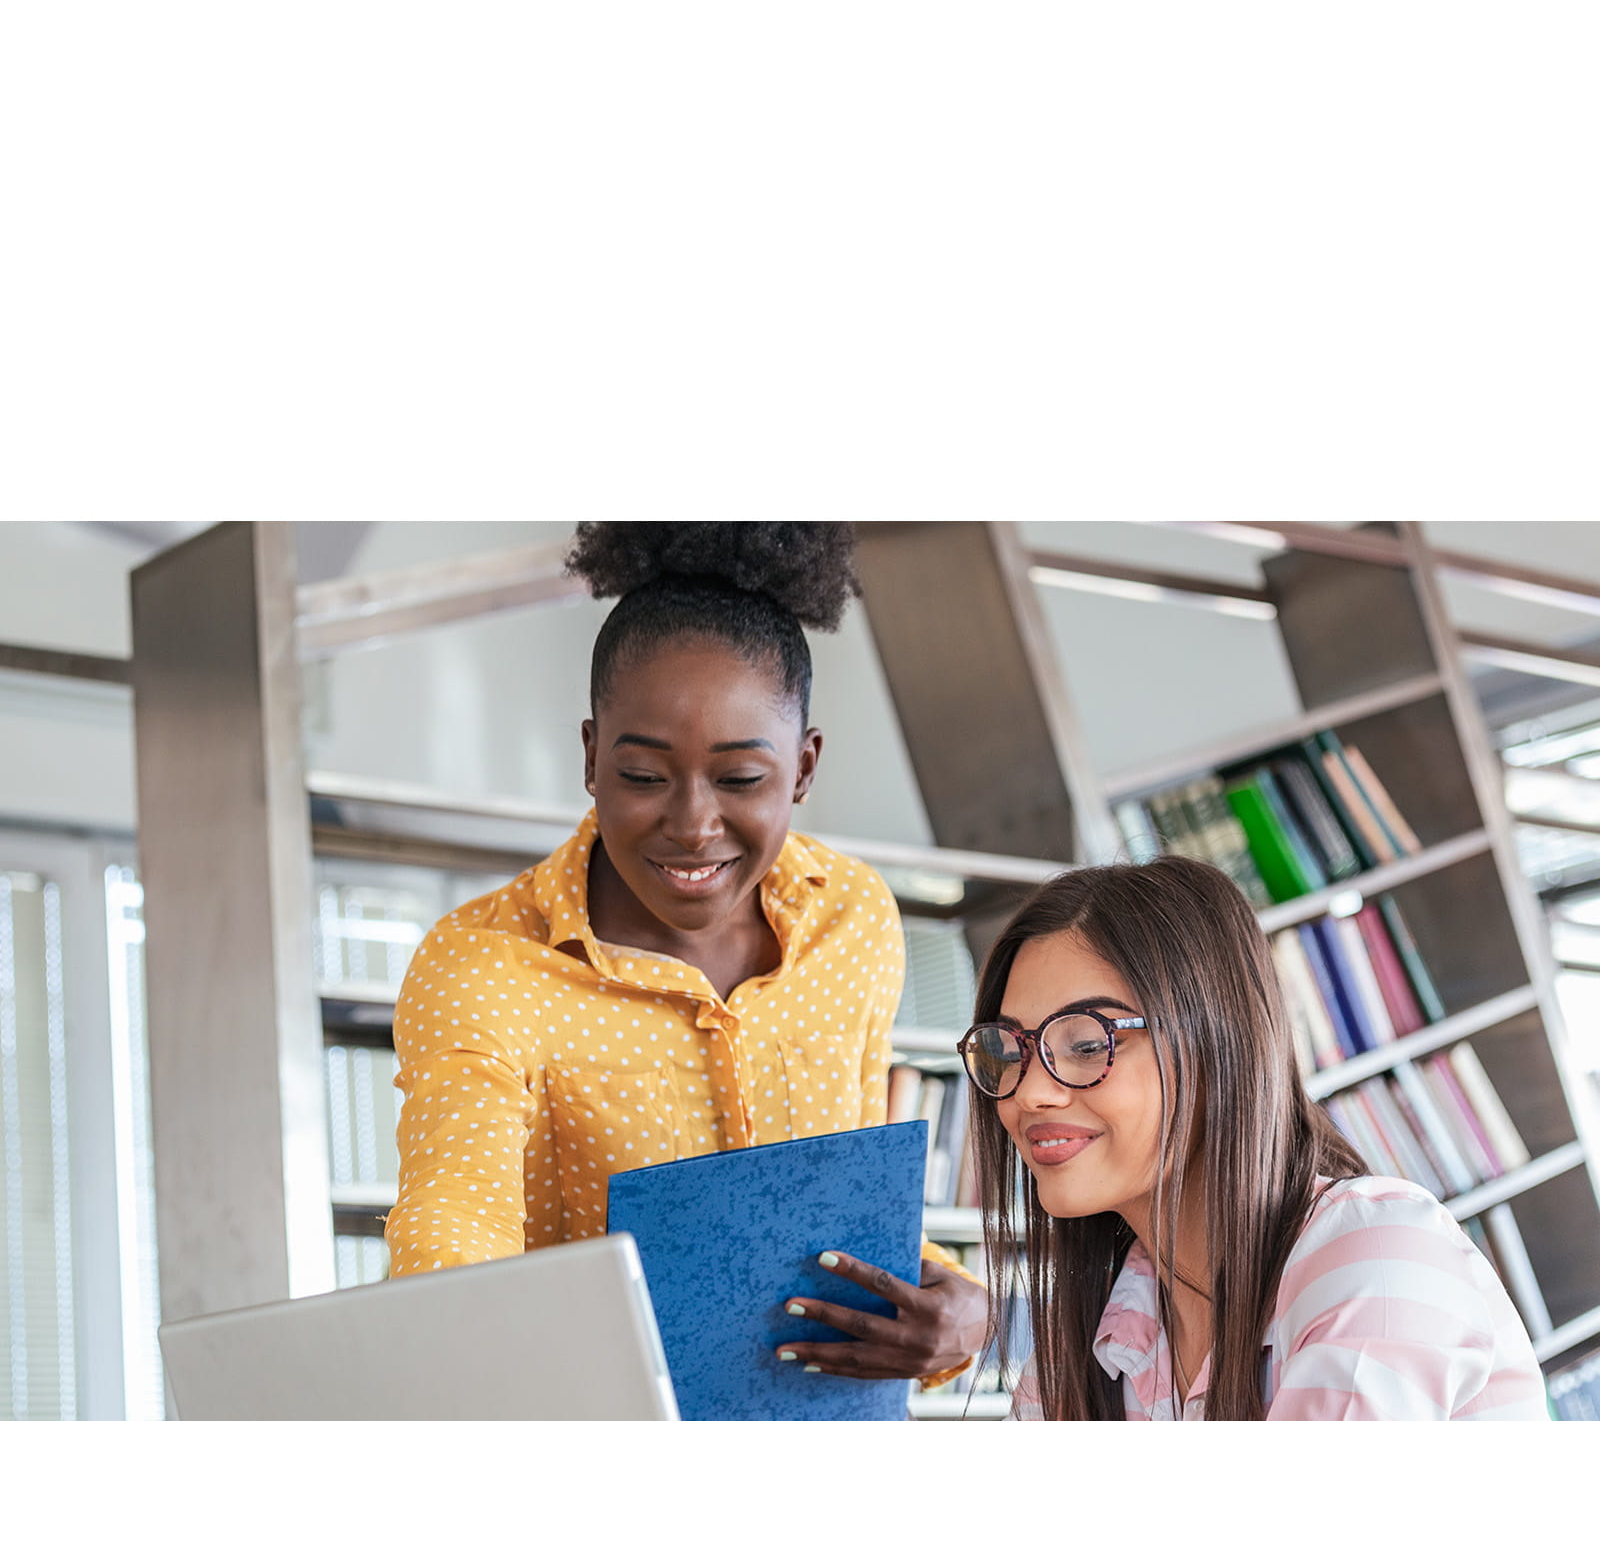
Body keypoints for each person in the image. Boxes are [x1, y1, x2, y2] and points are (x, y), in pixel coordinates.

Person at [386, 520, 988, 1392]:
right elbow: (452, 1236)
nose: (692, 824)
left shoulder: (852, 922)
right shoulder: (487, 966)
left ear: (804, 766)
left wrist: (963, 1310)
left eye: (741, 779)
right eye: (643, 776)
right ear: (592, 756)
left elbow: (844, 1219)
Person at [958, 855, 1549, 1420]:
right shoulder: (1096, 1333)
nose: (1030, 1094)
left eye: (1087, 1045)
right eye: (1006, 1051)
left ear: (1217, 1045)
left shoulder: (1377, 1253)